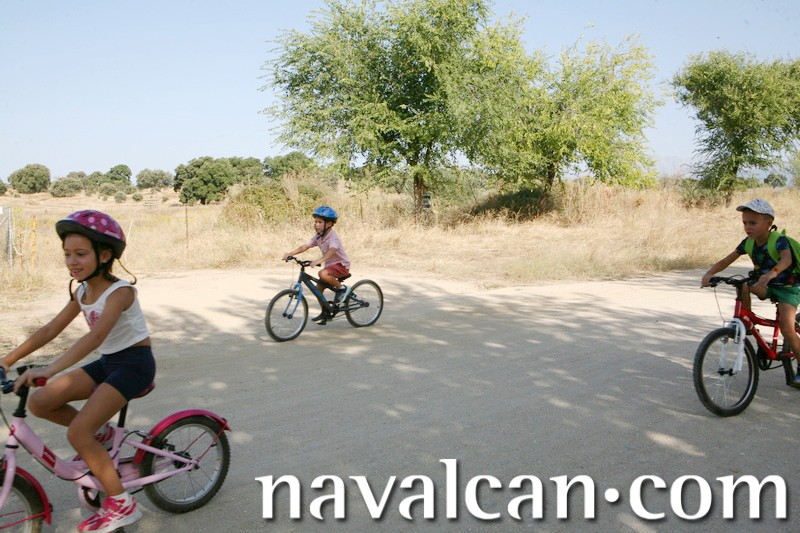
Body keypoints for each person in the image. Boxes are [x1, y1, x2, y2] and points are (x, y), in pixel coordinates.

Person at [0, 210, 155, 532]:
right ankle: (102, 436)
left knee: (78, 434)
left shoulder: (121, 292)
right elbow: (50, 329)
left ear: (105, 255)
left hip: (135, 364)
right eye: (67, 254)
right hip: (109, 362)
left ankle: (122, 504)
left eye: (81, 254)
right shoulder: (82, 291)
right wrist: (7, 359)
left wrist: (50, 369)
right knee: (40, 402)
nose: (72, 261)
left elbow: (94, 337)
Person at [701, 199, 800, 387]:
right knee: (743, 285)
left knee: (787, 327)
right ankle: (746, 321)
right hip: (764, 285)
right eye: (745, 223)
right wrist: (710, 273)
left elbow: (786, 260)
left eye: (753, 223)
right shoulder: (748, 243)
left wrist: (773, 273)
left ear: (768, 223)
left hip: (787, 288)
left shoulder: (779, 240)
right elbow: (726, 260)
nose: (748, 227)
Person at [283, 206, 351, 324]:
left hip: (341, 266)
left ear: (329, 224)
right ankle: (326, 313)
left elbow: (332, 250)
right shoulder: (318, 236)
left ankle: (342, 289)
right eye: (315, 222)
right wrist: (290, 253)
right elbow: (305, 246)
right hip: (330, 267)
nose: (316, 225)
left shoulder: (333, 237)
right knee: (318, 290)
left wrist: (320, 260)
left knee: (322, 273)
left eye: (320, 222)